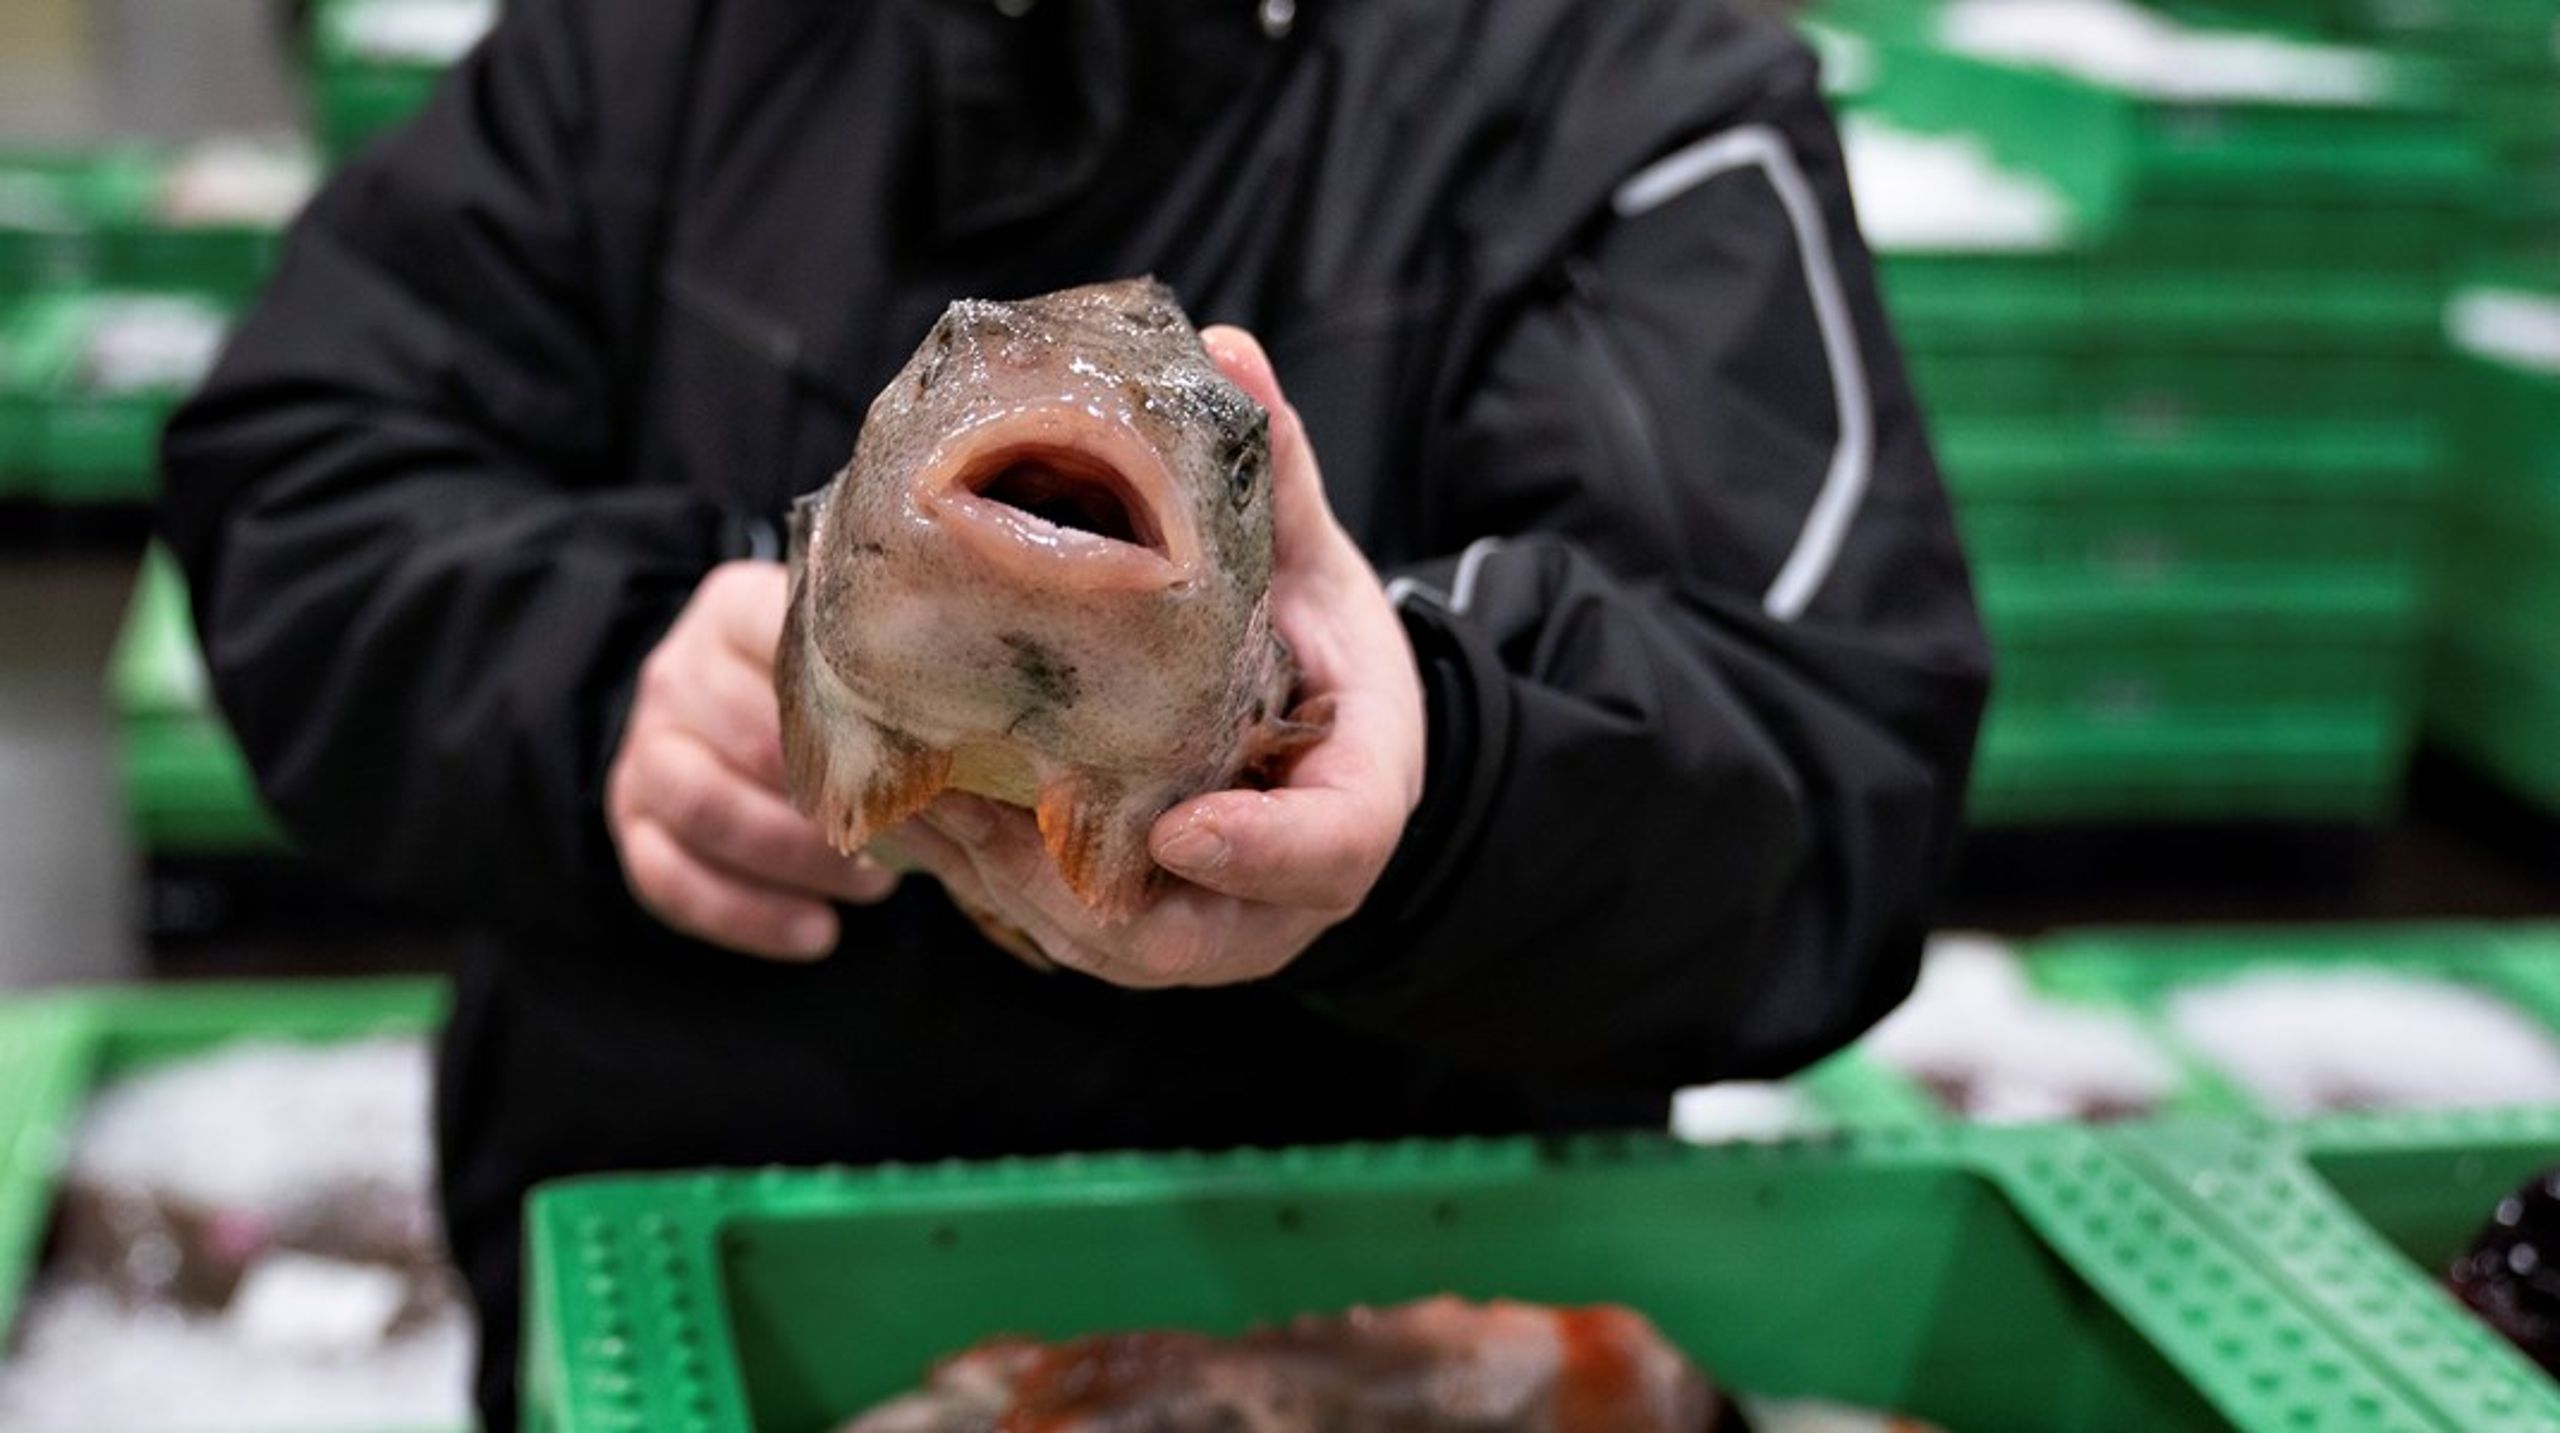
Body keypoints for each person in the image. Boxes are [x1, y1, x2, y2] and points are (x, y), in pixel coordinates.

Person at [159, 0, 1990, 1424]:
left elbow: (1827, 751)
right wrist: (606, 672)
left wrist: (1451, 766)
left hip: (1380, 1336)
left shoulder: (1631, 92)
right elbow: (304, 481)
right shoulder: (639, 43)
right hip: (708, 1322)